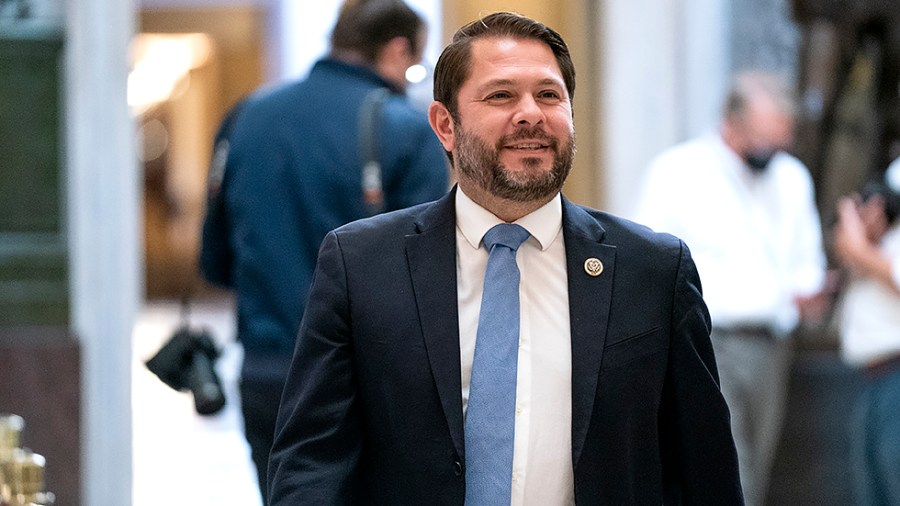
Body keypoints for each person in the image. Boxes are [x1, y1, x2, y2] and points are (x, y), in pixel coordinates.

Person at [268, 11, 743, 504]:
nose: (531, 114)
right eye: (501, 95)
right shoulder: (360, 264)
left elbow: (704, 466)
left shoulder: (653, 270)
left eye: (549, 95)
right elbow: (312, 462)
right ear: (445, 125)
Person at [198, 0, 449, 500]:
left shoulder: (246, 117)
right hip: (367, 382)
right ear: (397, 49)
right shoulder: (403, 128)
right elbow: (428, 273)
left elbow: (216, 262)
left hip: (268, 374)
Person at [635, 70, 827, 506]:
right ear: (731, 124)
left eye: (778, 142)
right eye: (761, 140)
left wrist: (808, 289)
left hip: (774, 345)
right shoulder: (678, 172)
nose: (769, 152)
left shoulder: (791, 177)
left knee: (757, 465)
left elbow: (805, 259)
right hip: (706, 341)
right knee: (726, 467)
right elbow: (646, 262)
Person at [833, 163, 900, 506]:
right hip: (872, 380)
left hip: (896, 378)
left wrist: (852, 228)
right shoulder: (880, 245)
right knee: (871, 489)